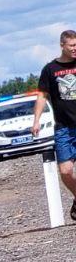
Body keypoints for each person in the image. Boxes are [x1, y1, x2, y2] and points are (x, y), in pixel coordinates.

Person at [35, 29, 76, 221]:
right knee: (65, 171)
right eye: (72, 46)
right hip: (64, 128)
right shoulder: (50, 70)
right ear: (62, 45)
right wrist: (36, 121)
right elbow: (42, 96)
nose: (75, 49)